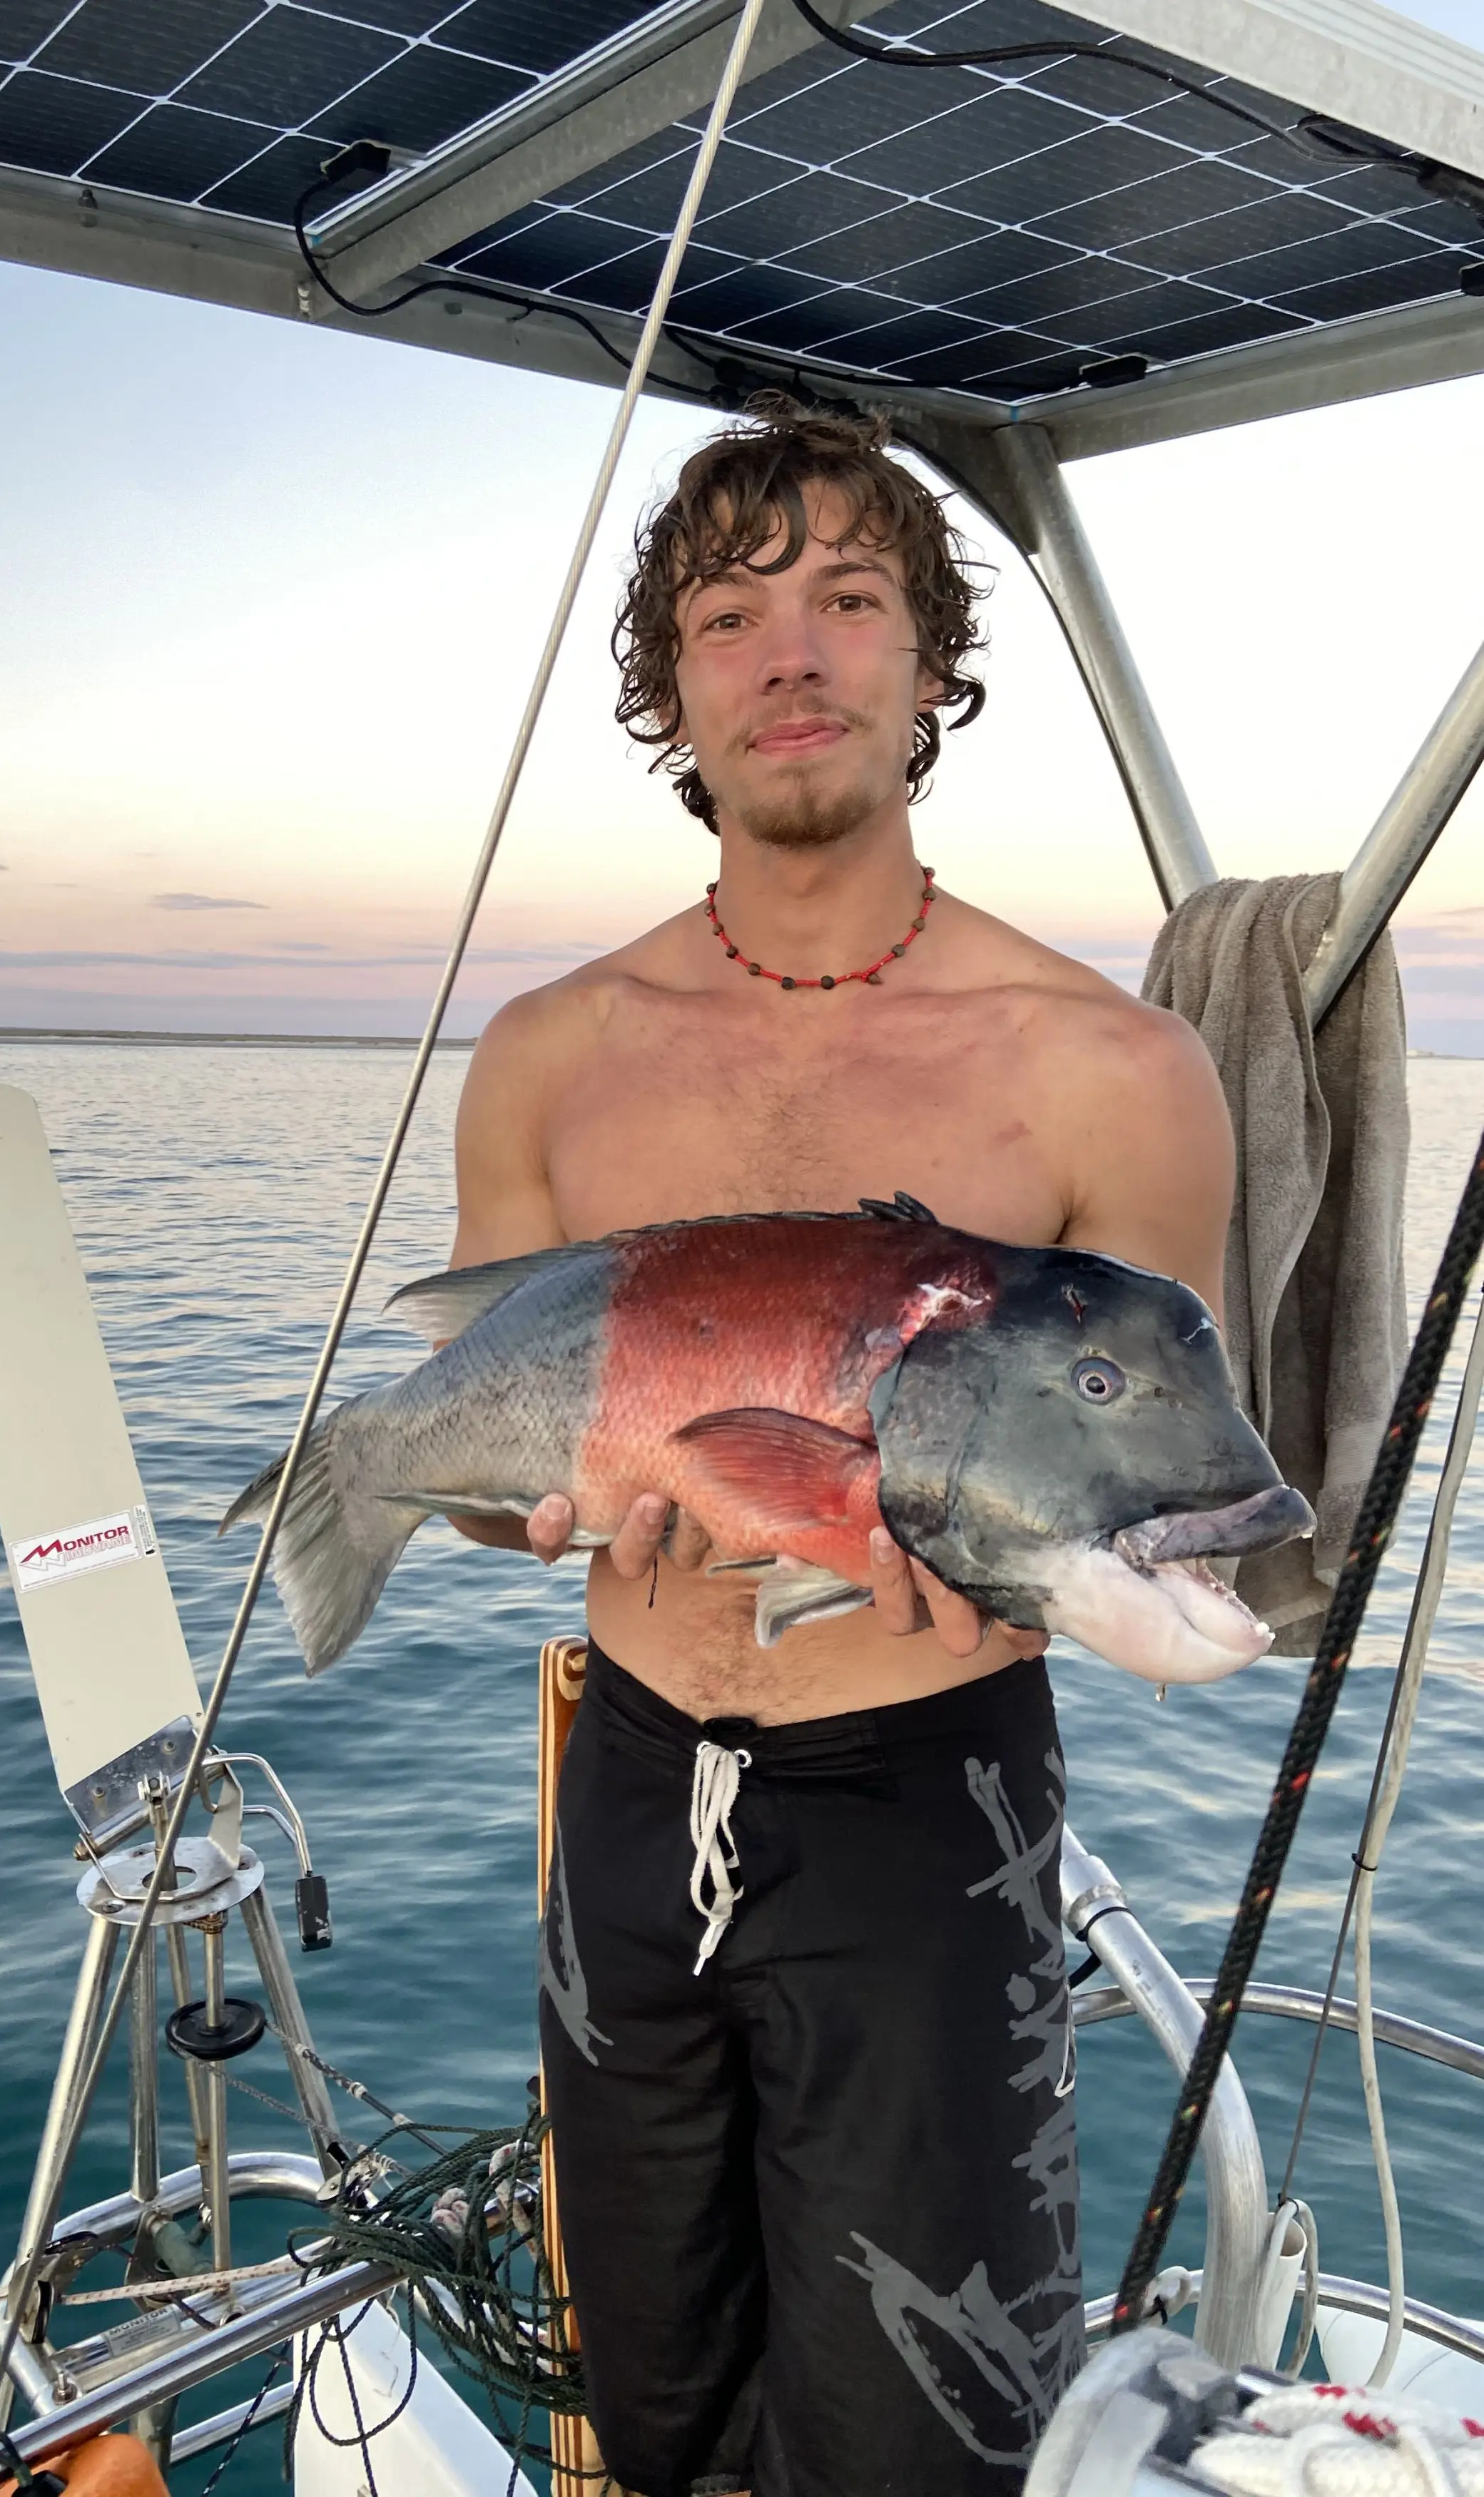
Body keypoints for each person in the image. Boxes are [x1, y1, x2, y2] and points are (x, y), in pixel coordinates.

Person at [446, 400, 1234, 2497]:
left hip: (927, 1815)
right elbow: (482, 1468)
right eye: (729, 614)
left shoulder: (1116, 1073)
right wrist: (496, 1499)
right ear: (674, 688)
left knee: (925, 2438)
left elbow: (1159, 1486)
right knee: (650, 2381)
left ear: (930, 663)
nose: (789, 654)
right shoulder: (546, 1058)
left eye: (849, 599)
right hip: (628, 1800)